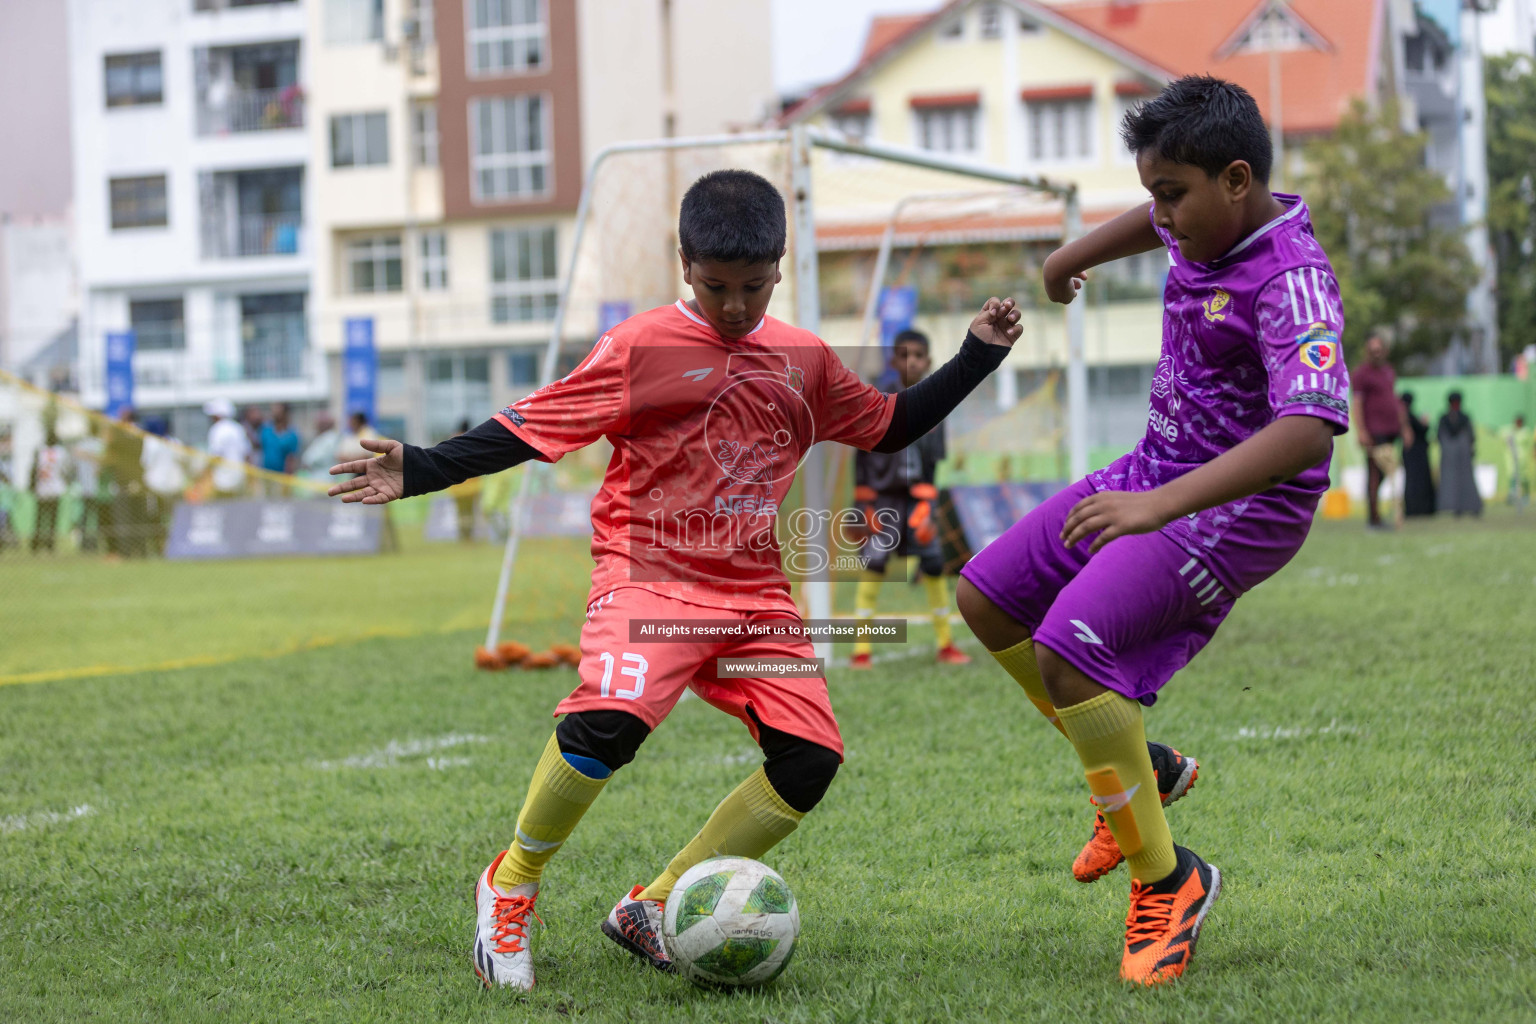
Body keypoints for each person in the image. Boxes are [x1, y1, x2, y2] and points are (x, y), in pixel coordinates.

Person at [328, 169, 1024, 991]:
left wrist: (979, 354)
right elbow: (531, 428)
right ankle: (511, 883)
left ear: (779, 264)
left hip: (756, 596)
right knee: (607, 724)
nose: (735, 305)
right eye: (718, 286)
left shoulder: (804, 358)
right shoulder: (639, 347)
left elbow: (889, 423)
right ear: (685, 264)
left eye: (754, 287)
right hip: (648, 575)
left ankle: (654, 904)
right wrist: (425, 468)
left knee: (809, 762)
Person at [955, 77, 1351, 986]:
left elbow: (1306, 430)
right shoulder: (1203, 215)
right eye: (1153, 193)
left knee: (1069, 652)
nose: (1161, 215)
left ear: (1238, 181)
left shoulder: (1291, 279)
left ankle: (1170, 879)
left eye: (1173, 195)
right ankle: (1144, 766)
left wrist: (1156, 508)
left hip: (1237, 509)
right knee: (987, 596)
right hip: (1156, 471)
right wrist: (1068, 258)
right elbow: (1158, 220)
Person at [850, 329, 970, 668]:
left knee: (933, 565)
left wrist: (928, 506)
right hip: (882, 502)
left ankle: (946, 644)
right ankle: (861, 650)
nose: (911, 361)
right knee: (873, 566)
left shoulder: (938, 406)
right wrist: (863, 504)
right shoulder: (875, 399)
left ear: (928, 361)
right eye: (904, 355)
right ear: (893, 361)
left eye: (918, 355)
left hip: (919, 503)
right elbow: (862, 456)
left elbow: (933, 465)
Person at [1350, 332, 1411, 530]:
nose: (1376, 353)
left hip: (1391, 430)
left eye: (1379, 349)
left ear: (1384, 351)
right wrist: (1361, 431)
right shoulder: (1361, 374)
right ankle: (1373, 519)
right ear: (1367, 351)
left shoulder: (1388, 371)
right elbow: (1357, 403)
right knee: (1374, 473)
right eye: (1372, 350)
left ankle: (1382, 513)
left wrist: (1405, 427)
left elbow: (1395, 400)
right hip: (1374, 431)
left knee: (1388, 471)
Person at [102, 408, 147, 556]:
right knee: (138, 519)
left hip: (124, 481)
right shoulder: (140, 434)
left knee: (124, 519)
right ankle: (140, 550)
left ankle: (126, 551)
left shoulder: (120, 435)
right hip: (138, 481)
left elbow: (110, 453)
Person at [141, 416, 188, 553]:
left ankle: (162, 547)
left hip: (155, 486)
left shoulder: (150, 442)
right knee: (172, 517)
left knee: (157, 518)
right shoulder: (175, 442)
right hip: (174, 486)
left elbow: (145, 463)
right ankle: (172, 546)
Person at [1437, 391, 1482, 517]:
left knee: (1466, 480)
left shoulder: (1463, 418)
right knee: (1451, 481)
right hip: (1452, 456)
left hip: (1462, 455)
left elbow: (1471, 436)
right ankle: (1454, 507)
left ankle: (1471, 506)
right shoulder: (1445, 418)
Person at [29, 428, 72, 553]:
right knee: (51, 518)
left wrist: (31, 485)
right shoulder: (61, 452)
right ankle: (49, 544)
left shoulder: (40, 451)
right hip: (54, 489)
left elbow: (33, 469)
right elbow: (66, 470)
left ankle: (37, 544)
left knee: (40, 518)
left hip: (42, 488)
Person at [204, 398, 251, 498]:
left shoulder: (217, 429)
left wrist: (205, 474)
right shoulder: (238, 428)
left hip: (222, 480)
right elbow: (247, 454)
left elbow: (215, 455)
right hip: (239, 477)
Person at [1400, 392, 1436, 517]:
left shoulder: (1403, 416)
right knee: (1418, 481)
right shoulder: (1408, 416)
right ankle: (1419, 508)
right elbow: (1422, 430)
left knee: (1412, 480)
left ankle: (1413, 508)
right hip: (1417, 454)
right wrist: (1425, 423)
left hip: (1410, 453)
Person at [447, 418, 482, 542]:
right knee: (470, 513)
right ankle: (469, 536)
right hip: (473, 486)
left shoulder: (452, 440)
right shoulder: (474, 439)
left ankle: (463, 535)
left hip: (457, 486)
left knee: (461, 513)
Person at [72, 419, 105, 552]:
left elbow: (73, 467)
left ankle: (84, 543)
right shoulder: (101, 446)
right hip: (98, 489)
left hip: (83, 487)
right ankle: (97, 543)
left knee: (84, 518)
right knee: (98, 518)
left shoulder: (80, 446)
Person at [259, 402, 301, 496]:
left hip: (282, 478)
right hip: (265, 476)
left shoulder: (291, 434)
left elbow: (291, 459)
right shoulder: (266, 430)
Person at [1500, 414, 1531, 512]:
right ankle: (1513, 496)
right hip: (1512, 460)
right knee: (1512, 477)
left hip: (1523, 460)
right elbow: (1502, 433)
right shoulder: (1510, 430)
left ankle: (1526, 497)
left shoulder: (1526, 432)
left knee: (1524, 478)